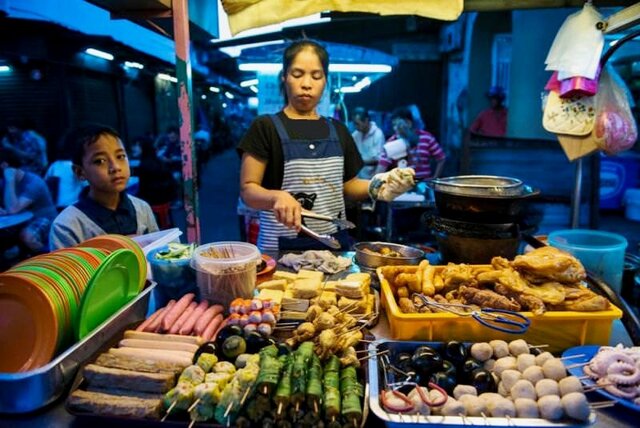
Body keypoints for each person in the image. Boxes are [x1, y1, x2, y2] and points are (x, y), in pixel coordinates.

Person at [237, 39, 415, 252]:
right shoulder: (265, 127)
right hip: (279, 250)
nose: (306, 84)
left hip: (333, 247)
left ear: (325, 81)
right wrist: (276, 197)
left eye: (316, 76)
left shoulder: (337, 130)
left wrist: (378, 185)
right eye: (297, 74)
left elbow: (347, 186)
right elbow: (248, 191)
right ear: (284, 77)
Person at [49, 124, 158, 249]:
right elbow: (67, 269)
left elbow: (158, 256)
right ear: (80, 172)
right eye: (100, 161)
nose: (116, 167)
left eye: (120, 156)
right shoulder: (67, 226)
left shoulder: (142, 208)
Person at [0, 149, 57, 254]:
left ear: (5, 166)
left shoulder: (33, 182)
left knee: (27, 236)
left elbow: (12, 209)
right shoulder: (4, 182)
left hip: (44, 218)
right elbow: (8, 208)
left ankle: (51, 258)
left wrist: (10, 180)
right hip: (20, 219)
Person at [376, 107, 446, 181]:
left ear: (409, 123)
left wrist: (435, 178)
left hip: (424, 185)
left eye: (398, 124)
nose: (395, 128)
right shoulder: (392, 142)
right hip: (402, 187)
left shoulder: (426, 137)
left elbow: (441, 158)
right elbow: (381, 167)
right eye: (394, 125)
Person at [351, 107, 385, 179]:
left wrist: (360, 162)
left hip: (373, 179)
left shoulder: (378, 134)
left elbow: (380, 160)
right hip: (358, 178)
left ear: (366, 120)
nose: (356, 127)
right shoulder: (355, 135)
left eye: (357, 124)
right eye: (354, 124)